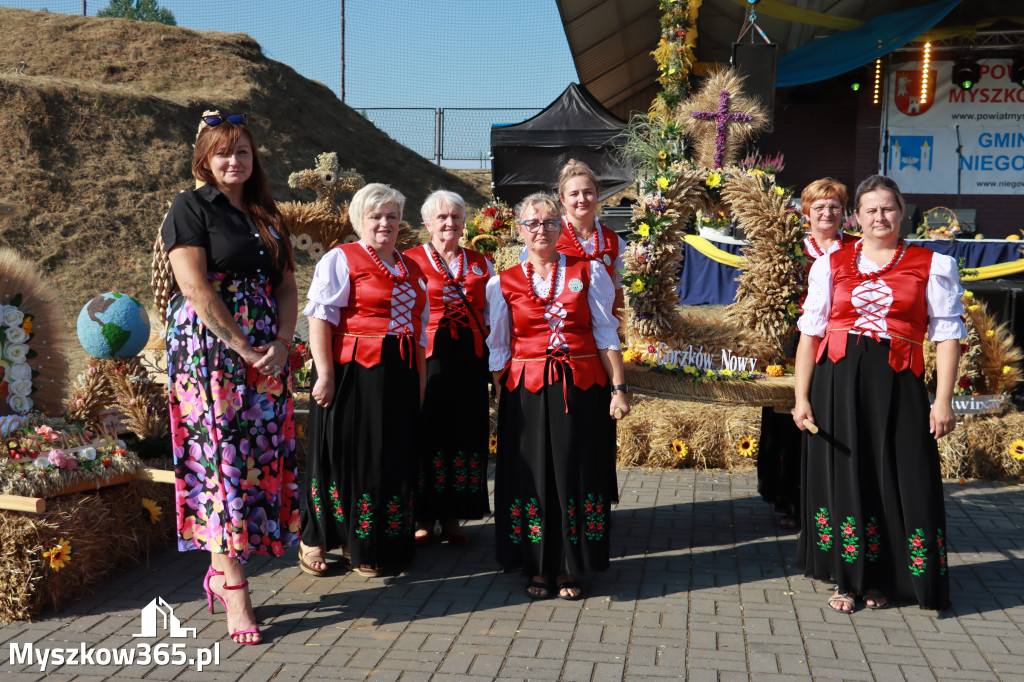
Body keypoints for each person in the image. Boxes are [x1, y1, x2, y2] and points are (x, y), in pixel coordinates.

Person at [793, 175, 964, 613]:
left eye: (887, 208)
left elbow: (947, 337)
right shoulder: (829, 264)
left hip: (899, 384)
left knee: (899, 476)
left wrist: (942, 401)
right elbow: (810, 336)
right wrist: (801, 396)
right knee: (848, 477)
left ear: (902, 211)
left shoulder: (932, 263)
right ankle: (848, 580)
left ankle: (886, 579)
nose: (879, 217)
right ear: (857, 217)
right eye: (870, 210)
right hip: (838, 385)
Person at [163, 112, 298, 646]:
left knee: (253, 461)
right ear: (204, 159)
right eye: (223, 153)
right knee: (219, 462)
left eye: (242, 151)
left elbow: (286, 286)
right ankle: (234, 588)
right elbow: (195, 288)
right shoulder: (190, 207)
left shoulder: (268, 213)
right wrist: (243, 347)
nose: (233, 161)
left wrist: (283, 344)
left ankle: (224, 573)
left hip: (266, 354)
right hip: (212, 352)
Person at [487, 192, 629, 600]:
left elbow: (605, 333)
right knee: (531, 475)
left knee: (575, 471)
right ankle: (537, 565)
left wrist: (618, 387)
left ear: (560, 227)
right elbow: (499, 347)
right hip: (526, 391)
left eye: (549, 222)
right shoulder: (504, 282)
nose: (541, 230)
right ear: (519, 231)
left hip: (581, 388)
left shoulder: (588, 273)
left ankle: (569, 566)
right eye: (532, 223)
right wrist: (504, 396)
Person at [300, 183, 428, 578]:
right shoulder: (342, 259)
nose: (384, 223)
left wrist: (419, 384)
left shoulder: (412, 267)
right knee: (343, 453)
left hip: (401, 371)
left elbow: (420, 331)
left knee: (390, 455)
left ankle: (373, 543)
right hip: (355, 372)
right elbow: (319, 317)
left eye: (391, 215)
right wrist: (324, 374)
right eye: (375, 216)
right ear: (359, 220)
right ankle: (314, 540)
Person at [758, 178, 850, 531]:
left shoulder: (856, 249)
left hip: (840, 342)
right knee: (790, 422)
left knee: (831, 414)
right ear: (806, 214)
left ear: (844, 213)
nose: (827, 212)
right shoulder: (789, 251)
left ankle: (829, 496)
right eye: (819, 207)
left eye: (834, 206)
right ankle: (792, 501)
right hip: (794, 342)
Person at [403, 191, 493, 546]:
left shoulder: (480, 262)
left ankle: (454, 514)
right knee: (427, 429)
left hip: (469, 356)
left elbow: (490, 312)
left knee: (465, 430)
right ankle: (423, 515)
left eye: (455, 216)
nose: (449, 223)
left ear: (464, 221)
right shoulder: (410, 260)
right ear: (427, 223)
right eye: (441, 217)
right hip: (429, 355)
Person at [555, 160, 628, 317]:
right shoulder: (548, 235)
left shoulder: (614, 241)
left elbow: (619, 294)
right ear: (563, 200)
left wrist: (619, 333)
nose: (582, 199)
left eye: (588, 192)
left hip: (603, 329)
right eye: (574, 194)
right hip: (563, 329)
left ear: (597, 195)